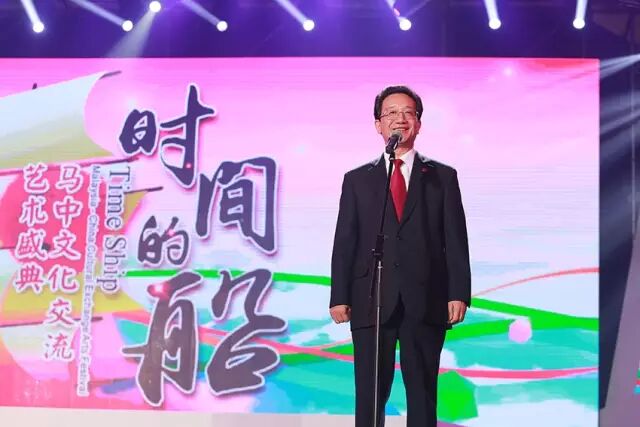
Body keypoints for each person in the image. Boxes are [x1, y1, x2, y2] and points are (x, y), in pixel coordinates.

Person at [329, 85, 471, 427]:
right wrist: (339, 295)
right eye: (391, 113)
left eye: (408, 112)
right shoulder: (357, 180)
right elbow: (345, 241)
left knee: (422, 393)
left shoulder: (441, 177)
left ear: (418, 123)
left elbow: (455, 239)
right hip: (370, 298)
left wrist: (458, 292)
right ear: (378, 125)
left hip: (425, 297)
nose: (400, 119)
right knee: (370, 394)